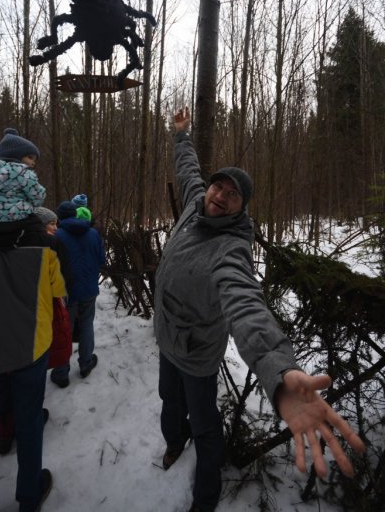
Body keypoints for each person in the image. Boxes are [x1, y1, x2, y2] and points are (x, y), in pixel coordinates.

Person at [153, 108, 366, 512]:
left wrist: (278, 371)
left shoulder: (231, 248)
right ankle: (174, 442)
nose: (220, 196)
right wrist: (181, 134)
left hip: (196, 352)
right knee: (169, 399)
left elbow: (245, 303)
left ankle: (205, 496)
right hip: (167, 338)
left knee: (204, 421)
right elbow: (187, 169)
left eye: (231, 195)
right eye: (218, 187)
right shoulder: (195, 205)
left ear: (241, 207)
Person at [0, 236, 66, 512]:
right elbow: (59, 290)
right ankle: (29, 496)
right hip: (31, 345)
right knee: (29, 421)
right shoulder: (44, 249)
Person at [51, 200, 106, 388]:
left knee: (64, 328)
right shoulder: (93, 233)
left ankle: (61, 372)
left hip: (66, 291)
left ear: (59, 217)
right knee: (86, 324)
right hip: (89, 288)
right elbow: (101, 259)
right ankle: (86, 363)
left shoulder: (56, 236)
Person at [0, 128, 45, 223]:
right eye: (30, 158)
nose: (33, 163)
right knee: (39, 225)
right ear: (16, 155)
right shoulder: (24, 174)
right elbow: (38, 197)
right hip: (16, 219)